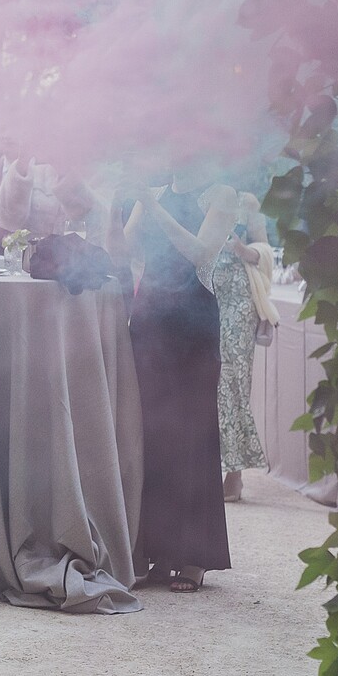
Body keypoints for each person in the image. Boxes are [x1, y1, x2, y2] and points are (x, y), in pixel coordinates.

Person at [122, 179, 238, 592]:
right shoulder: (153, 191)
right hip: (149, 317)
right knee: (151, 436)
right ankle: (158, 551)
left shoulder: (222, 194)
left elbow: (200, 252)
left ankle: (193, 556)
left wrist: (154, 208)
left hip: (193, 322)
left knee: (192, 434)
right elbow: (127, 246)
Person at [215, 191, 273, 502]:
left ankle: (234, 475)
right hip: (205, 296)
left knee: (233, 383)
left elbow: (264, 250)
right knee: (208, 384)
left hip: (238, 304)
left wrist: (239, 248)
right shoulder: (198, 194)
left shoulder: (246, 201)